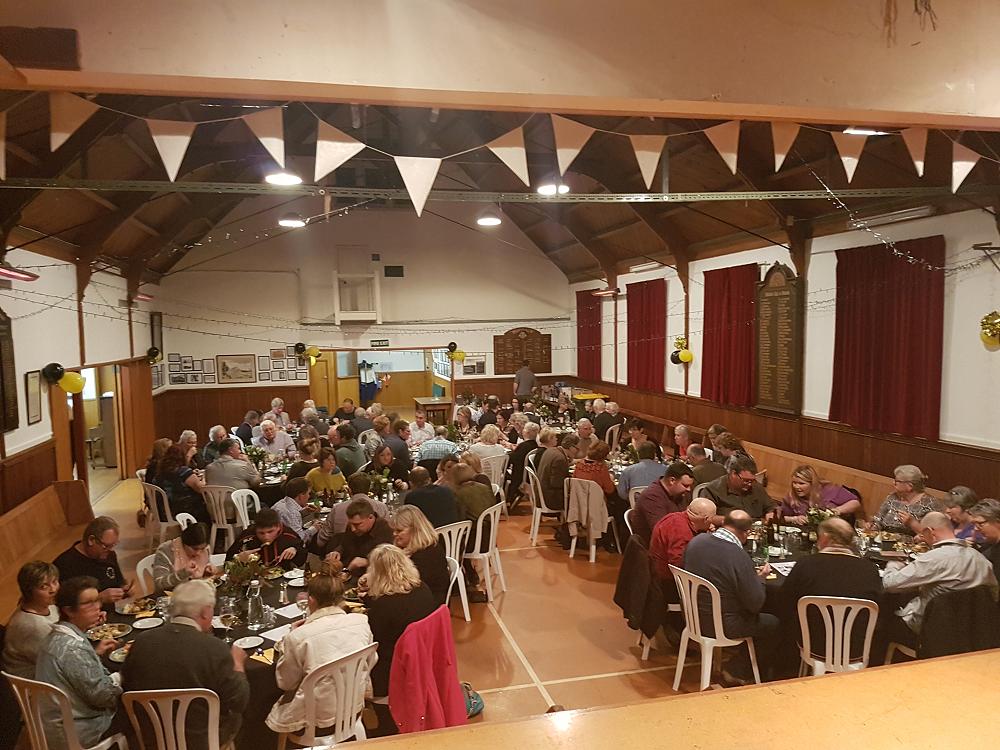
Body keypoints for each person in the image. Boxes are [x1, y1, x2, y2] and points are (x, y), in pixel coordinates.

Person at [124, 580, 249, 750]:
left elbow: (126, 685)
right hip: (202, 741)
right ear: (206, 612)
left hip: (151, 739)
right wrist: (238, 664)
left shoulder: (141, 642)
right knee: (239, 717)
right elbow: (239, 700)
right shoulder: (214, 648)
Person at [266, 573, 373, 736]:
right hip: (354, 707)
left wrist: (290, 640)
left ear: (311, 600)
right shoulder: (361, 622)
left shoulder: (297, 637)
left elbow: (286, 683)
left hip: (314, 720)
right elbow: (370, 661)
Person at [683, 510, 779, 686]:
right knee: (773, 623)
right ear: (746, 533)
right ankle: (738, 670)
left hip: (693, 616)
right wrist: (761, 579)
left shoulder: (697, 541)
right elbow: (755, 604)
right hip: (723, 625)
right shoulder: (737, 555)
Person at [881, 511, 998, 652]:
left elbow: (889, 584)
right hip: (972, 631)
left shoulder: (933, 558)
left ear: (930, 532)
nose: (923, 540)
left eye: (923, 535)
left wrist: (893, 564)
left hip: (929, 631)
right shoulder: (981, 559)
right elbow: (993, 595)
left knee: (883, 619)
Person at [779, 518, 882, 668]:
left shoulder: (805, 564)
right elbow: (879, 606)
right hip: (856, 648)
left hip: (814, 646)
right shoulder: (870, 569)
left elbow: (784, 602)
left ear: (825, 538)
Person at [34, 576, 122, 748]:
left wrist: (94, 654)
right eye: (89, 603)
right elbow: (104, 697)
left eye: (97, 600)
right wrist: (123, 676)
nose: (98, 607)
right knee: (137, 709)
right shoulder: (73, 649)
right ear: (69, 610)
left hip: (54, 724)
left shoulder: (56, 637)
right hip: (77, 731)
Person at [362, 544, 438, 731]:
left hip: (391, 673)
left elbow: (372, 641)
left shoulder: (383, 607)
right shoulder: (422, 589)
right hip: (423, 660)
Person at [52, 516, 132, 603]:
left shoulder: (109, 555)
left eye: (113, 545)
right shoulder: (64, 564)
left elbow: (119, 583)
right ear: (91, 540)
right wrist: (98, 598)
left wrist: (125, 590)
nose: (110, 550)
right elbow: (63, 603)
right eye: (106, 546)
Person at [2, 561, 60, 678]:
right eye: (44, 586)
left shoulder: (46, 604)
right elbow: (57, 662)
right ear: (29, 591)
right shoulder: (35, 626)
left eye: (54, 582)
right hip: (36, 679)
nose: (53, 589)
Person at [392, 505, 450, 604]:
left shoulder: (428, 553)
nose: (394, 534)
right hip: (416, 598)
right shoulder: (409, 549)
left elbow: (409, 586)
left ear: (415, 530)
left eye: (399, 531)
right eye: (394, 530)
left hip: (428, 603)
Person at [649, 498, 717, 581]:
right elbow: (679, 565)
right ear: (706, 519)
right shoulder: (681, 530)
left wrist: (704, 532)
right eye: (712, 518)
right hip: (667, 580)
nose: (712, 523)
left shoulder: (676, 517)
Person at [322, 498, 395, 573]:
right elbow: (345, 544)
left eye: (357, 524)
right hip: (349, 571)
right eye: (351, 524)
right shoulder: (352, 527)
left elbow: (391, 562)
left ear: (371, 517)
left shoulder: (385, 530)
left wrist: (367, 562)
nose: (353, 529)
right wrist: (337, 552)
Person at [700, 454, 775, 525]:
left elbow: (771, 507)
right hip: (728, 528)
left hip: (756, 528)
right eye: (746, 480)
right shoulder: (713, 490)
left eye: (752, 480)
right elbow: (706, 517)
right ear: (733, 474)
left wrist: (770, 515)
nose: (749, 484)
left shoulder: (756, 487)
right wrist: (733, 521)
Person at [633, 462, 695, 544]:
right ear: (672, 480)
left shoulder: (681, 494)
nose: (689, 489)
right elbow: (662, 531)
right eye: (685, 485)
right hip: (656, 545)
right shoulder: (651, 497)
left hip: (678, 539)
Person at [871, 464, 942, 536]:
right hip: (884, 539)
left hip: (911, 542)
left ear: (909, 486)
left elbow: (934, 535)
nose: (893, 483)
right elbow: (878, 520)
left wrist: (912, 523)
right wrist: (873, 526)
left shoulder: (930, 504)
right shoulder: (892, 497)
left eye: (897, 481)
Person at [778, 465, 862, 525]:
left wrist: (836, 511)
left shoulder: (829, 489)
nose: (796, 487)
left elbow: (855, 502)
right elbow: (781, 518)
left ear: (812, 483)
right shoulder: (791, 496)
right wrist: (794, 519)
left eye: (801, 483)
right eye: (794, 483)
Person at [226, 508, 306, 569]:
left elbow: (302, 560)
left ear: (278, 526)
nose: (266, 537)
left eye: (270, 532)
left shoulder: (289, 535)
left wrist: (295, 550)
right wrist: (238, 559)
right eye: (261, 533)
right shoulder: (247, 536)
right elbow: (227, 562)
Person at [151, 522, 215, 591]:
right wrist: (183, 573)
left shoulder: (205, 550)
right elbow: (159, 584)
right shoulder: (166, 551)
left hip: (196, 592)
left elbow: (199, 579)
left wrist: (206, 572)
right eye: (195, 549)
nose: (198, 553)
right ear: (184, 542)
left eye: (202, 549)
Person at [154, 443, 209, 521]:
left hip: (165, 511)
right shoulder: (184, 472)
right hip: (185, 509)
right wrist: (204, 477)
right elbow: (201, 489)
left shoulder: (160, 472)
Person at [271, 477, 324, 544]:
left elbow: (287, 521)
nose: (309, 496)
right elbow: (300, 539)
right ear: (301, 495)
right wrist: (314, 528)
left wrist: (303, 513)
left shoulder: (282, 503)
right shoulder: (291, 512)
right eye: (308, 493)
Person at [537, 433, 580, 511]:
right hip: (550, 499)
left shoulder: (551, 450)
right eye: (577, 449)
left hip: (541, 494)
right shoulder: (560, 459)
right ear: (571, 447)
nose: (578, 452)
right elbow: (557, 483)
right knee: (581, 497)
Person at [506, 420, 539, 504]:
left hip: (520, 476)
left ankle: (508, 498)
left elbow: (512, 460)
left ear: (526, 432)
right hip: (529, 475)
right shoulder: (535, 446)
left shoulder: (523, 446)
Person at [970, 499, 1000, 580]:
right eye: (974, 524)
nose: (976, 528)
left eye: (980, 523)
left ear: (997, 522)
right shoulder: (987, 545)